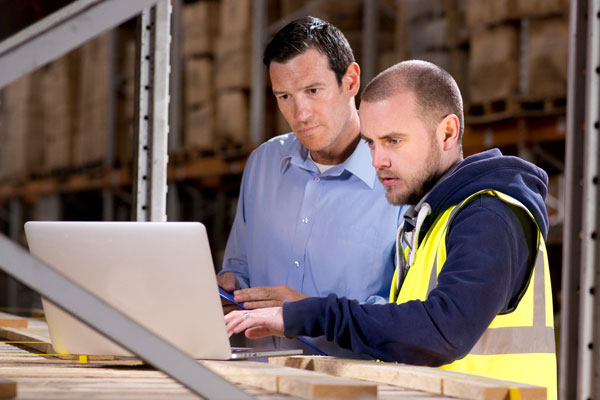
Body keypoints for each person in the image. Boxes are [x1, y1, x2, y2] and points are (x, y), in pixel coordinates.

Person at [225, 60, 557, 399]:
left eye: (393, 141)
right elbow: (404, 332)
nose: (376, 161)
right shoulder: (429, 220)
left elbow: (442, 332)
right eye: (371, 142)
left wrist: (311, 313)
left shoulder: (490, 215)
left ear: (447, 132)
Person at [217, 16, 402, 357]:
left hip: (360, 387)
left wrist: (308, 311)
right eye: (284, 96)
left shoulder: (399, 177)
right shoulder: (263, 165)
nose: (299, 113)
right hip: (264, 379)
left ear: (351, 80)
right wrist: (230, 292)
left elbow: (409, 316)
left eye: (313, 91)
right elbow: (239, 270)